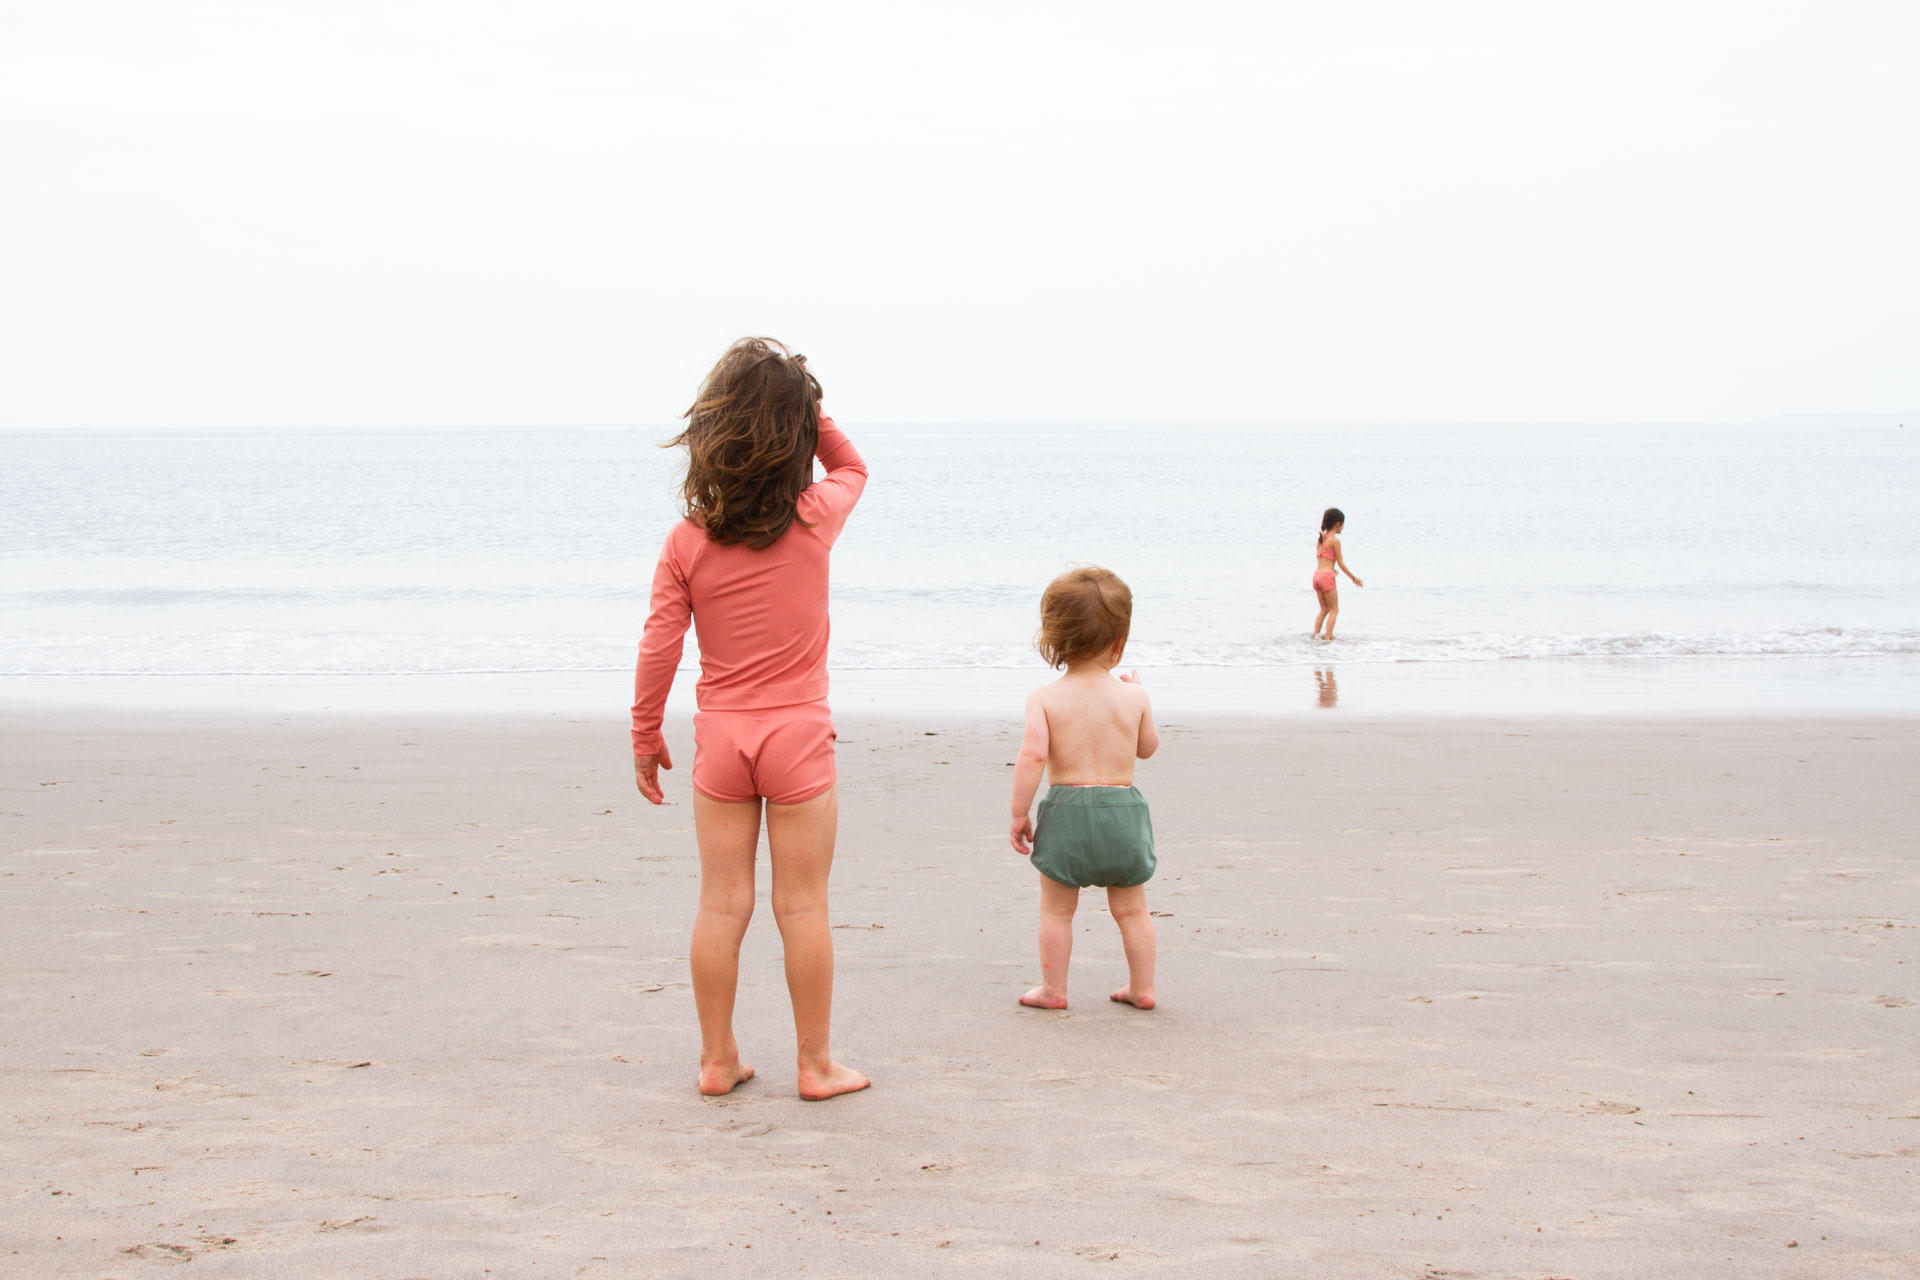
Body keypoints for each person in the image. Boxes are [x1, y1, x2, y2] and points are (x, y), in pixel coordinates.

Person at [630, 337, 871, 1101]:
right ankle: (816, 1065)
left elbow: (660, 645)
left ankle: (717, 1059)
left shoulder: (687, 542)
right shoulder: (816, 516)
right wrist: (807, 405)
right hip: (798, 739)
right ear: (795, 436)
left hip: (723, 742)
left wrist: (645, 734)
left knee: (720, 903)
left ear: (712, 432)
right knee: (801, 905)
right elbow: (853, 466)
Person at [1008, 566, 1161, 1011]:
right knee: (1132, 910)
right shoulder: (1134, 696)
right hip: (1122, 815)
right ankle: (1142, 988)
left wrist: (1019, 812)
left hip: (1067, 813)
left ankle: (1053, 990)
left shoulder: (1044, 697)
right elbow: (1147, 748)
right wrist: (1139, 694)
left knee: (1056, 910)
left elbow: (1032, 756)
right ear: (1120, 642)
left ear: (1054, 639)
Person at [1311, 507, 1363, 640]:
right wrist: (1353, 578)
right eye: (1343, 524)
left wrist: (1331, 568)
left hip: (1317, 576)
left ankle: (1315, 636)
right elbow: (1341, 563)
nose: (1343, 527)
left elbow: (1323, 557)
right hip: (1326, 577)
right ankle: (1327, 638)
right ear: (1337, 524)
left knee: (1324, 609)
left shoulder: (1321, 538)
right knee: (1334, 610)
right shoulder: (1334, 541)